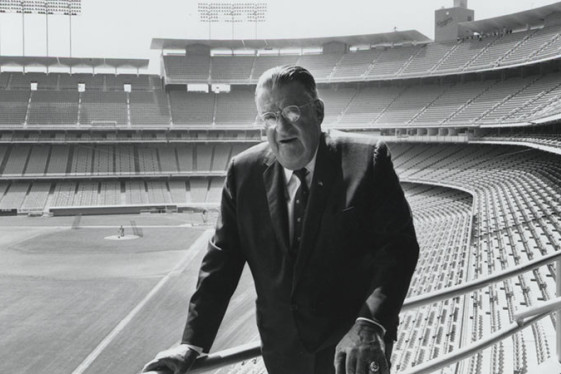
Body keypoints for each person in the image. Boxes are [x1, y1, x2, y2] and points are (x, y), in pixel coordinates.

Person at [142, 65, 419, 374]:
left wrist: (370, 324)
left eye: (291, 112)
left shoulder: (367, 159)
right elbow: (221, 264)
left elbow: (398, 249)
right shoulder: (242, 172)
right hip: (284, 358)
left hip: (353, 353)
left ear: (318, 111)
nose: (281, 128)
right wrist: (191, 344)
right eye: (269, 117)